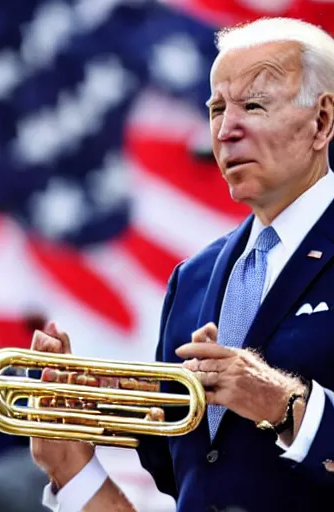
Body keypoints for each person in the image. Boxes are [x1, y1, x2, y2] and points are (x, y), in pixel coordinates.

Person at [31, 17, 334, 512]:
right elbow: (188, 481)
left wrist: (281, 404)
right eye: (216, 109)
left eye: (253, 105)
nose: (225, 129)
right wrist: (98, 414)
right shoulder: (193, 277)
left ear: (321, 122)